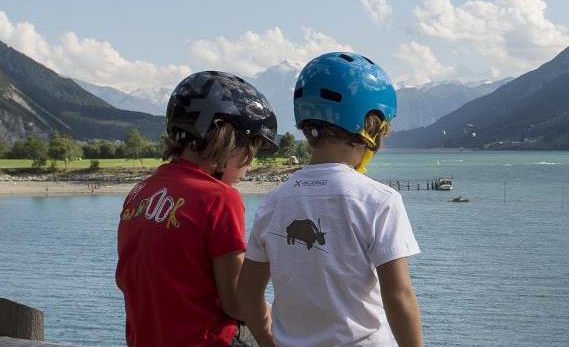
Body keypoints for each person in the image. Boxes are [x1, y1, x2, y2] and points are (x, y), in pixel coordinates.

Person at [238, 52, 424, 347]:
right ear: (369, 124)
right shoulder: (380, 201)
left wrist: (268, 340)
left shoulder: (273, 202)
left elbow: (247, 294)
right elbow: (398, 296)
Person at [117, 71, 279, 347]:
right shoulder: (219, 198)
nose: (249, 166)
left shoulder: (140, 192)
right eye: (250, 151)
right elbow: (236, 304)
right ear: (227, 140)